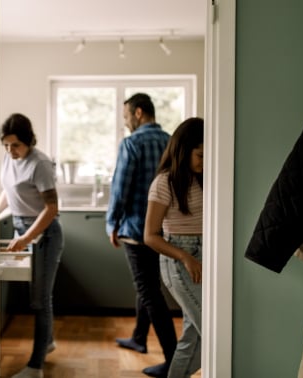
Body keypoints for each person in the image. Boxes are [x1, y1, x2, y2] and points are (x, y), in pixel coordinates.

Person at [105, 93, 178, 377]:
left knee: (149, 291)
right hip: (164, 231)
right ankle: (138, 337)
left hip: (136, 229)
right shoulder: (171, 141)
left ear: (137, 113)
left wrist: (112, 223)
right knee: (148, 284)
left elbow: (120, 188)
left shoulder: (132, 143)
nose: (125, 124)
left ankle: (172, 360)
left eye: (125, 117)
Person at [0, 113, 64, 378]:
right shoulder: (10, 158)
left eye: (15, 145)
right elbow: (9, 191)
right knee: (34, 297)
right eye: (5, 145)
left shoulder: (40, 164)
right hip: (21, 227)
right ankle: (46, 343)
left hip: (44, 235)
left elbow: (51, 208)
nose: (10, 150)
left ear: (28, 141)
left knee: (40, 301)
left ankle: (35, 366)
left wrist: (26, 238)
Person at [144, 117, 204, 378]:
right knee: (212, 329)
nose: (205, 160)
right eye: (200, 154)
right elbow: (150, 236)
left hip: (203, 257)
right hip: (179, 260)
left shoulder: (205, 179)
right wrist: (185, 257)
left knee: (194, 334)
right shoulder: (164, 182)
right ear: (183, 149)